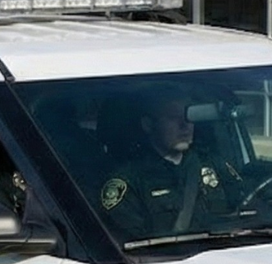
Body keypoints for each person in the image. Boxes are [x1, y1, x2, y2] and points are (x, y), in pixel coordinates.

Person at [98, 85, 242, 238]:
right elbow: (132, 244)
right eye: (173, 118)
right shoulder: (130, 182)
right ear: (148, 125)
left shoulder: (213, 164)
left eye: (189, 117)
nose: (185, 126)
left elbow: (245, 209)